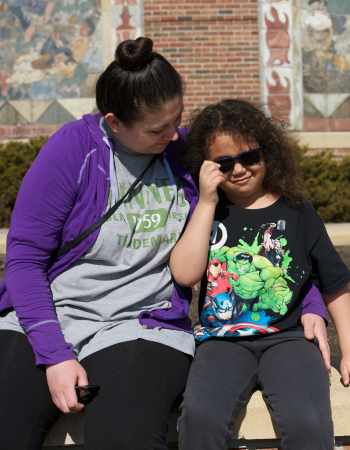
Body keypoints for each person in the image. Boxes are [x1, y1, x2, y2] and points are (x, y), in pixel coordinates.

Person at [0, 38, 327, 450]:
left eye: (177, 119)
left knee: (125, 436)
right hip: (51, 315)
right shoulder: (72, 150)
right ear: (115, 122)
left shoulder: (185, 154)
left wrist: (309, 300)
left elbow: (270, 228)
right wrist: (55, 355)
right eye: (158, 129)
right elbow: (25, 260)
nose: (174, 135)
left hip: (142, 325)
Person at [168, 99, 350, 450]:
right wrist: (206, 202)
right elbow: (185, 273)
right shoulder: (208, 211)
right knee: (199, 418)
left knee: (306, 423)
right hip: (221, 343)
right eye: (224, 163)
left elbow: (336, 283)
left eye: (249, 157)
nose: (238, 170)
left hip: (290, 340)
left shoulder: (297, 211)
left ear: (268, 154)